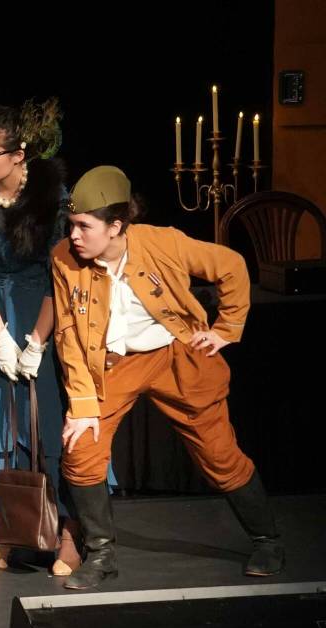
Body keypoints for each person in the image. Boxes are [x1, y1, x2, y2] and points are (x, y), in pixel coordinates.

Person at [53, 165, 284, 589]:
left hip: (176, 355)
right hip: (112, 365)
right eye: (71, 225)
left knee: (218, 455)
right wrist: (82, 406)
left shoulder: (163, 243)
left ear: (116, 226)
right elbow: (68, 333)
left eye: (84, 226)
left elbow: (231, 266)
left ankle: (267, 539)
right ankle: (101, 554)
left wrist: (226, 329)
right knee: (81, 449)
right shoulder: (64, 260)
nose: (74, 236)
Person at [0, 99, 88, 577]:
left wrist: (35, 341)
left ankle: (68, 536)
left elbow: (63, 270)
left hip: (49, 312)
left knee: (50, 424)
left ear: (19, 155)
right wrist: (0, 338)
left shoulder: (53, 195)